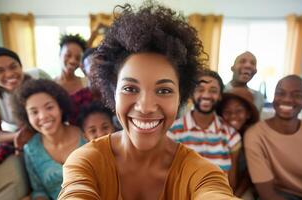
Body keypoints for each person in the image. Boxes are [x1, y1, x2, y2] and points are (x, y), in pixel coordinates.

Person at [58, 3, 238, 199]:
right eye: (130, 88)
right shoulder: (87, 162)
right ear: (113, 91)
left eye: (164, 90)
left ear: (181, 96)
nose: (145, 107)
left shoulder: (203, 173)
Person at [0, 47, 51, 199]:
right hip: (16, 131)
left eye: (13, 66)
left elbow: (59, 107)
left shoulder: (38, 77)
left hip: (47, 124)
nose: (10, 74)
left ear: (21, 66)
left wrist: (31, 131)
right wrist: (17, 135)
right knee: (14, 144)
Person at [244, 75, 302, 200]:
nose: (287, 99)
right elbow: (267, 195)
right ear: (273, 97)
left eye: (297, 95)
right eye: (280, 93)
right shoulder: (255, 135)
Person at [12, 79, 85, 199]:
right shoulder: (31, 149)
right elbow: (39, 191)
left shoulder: (86, 135)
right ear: (27, 117)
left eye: (49, 107)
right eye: (34, 112)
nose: (43, 116)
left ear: (60, 108)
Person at [168, 69, 242, 189]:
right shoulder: (172, 132)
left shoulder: (231, 135)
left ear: (219, 96)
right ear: (191, 95)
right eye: (200, 89)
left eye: (213, 91)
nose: (206, 95)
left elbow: (232, 180)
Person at [216, 87, 259, 199]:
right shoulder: (219, 134)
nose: (233, 115)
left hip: (244, 187)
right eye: (227, 111)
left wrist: (234, 196)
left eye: (239, 111)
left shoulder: (253, 136)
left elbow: (248, 176)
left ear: (248, 114)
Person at [68, 48, 102, 125]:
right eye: (93, 67)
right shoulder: (75, 101)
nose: (99, 71)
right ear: (83, 70)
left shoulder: (117, 95)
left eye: (102, 66)